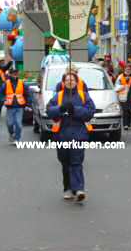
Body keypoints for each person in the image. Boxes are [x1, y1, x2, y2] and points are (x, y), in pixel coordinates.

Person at [47, 71, 96, 201]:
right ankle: (68, 188)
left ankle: (79, 189)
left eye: (72, 80)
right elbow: (49, 111)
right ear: (63, 82)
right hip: (61, 135)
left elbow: (90, 112)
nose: (70, 82)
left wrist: (75, 110)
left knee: (76, 162)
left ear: (76, 82)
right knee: (65, 163)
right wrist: (61, 108)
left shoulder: (83, 95)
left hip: (78, 134)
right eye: (67, 80)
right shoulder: (58, 96)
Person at [1, 68, 27, 144]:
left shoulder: (22, 83)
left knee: (18, 124)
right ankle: (11, 134)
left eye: (16, 73)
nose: (15, 75)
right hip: (10, 107)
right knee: (10, 124)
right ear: (10, 74)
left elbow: (27, 93)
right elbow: (1, 93)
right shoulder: (6, 83)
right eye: (13, 73)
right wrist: (3, 100)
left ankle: (17, 138)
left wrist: (28, 104)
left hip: (19, 107)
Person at [115, 64, 131, 130]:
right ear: (124, 70)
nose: (128, 71)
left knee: (129, 110)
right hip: (122, 96)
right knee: (125, 110)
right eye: (126, 69)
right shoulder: (120, 76)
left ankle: (128, 123)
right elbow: (116, 85)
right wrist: (122, 86)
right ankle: (125, 125)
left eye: (129, 69)